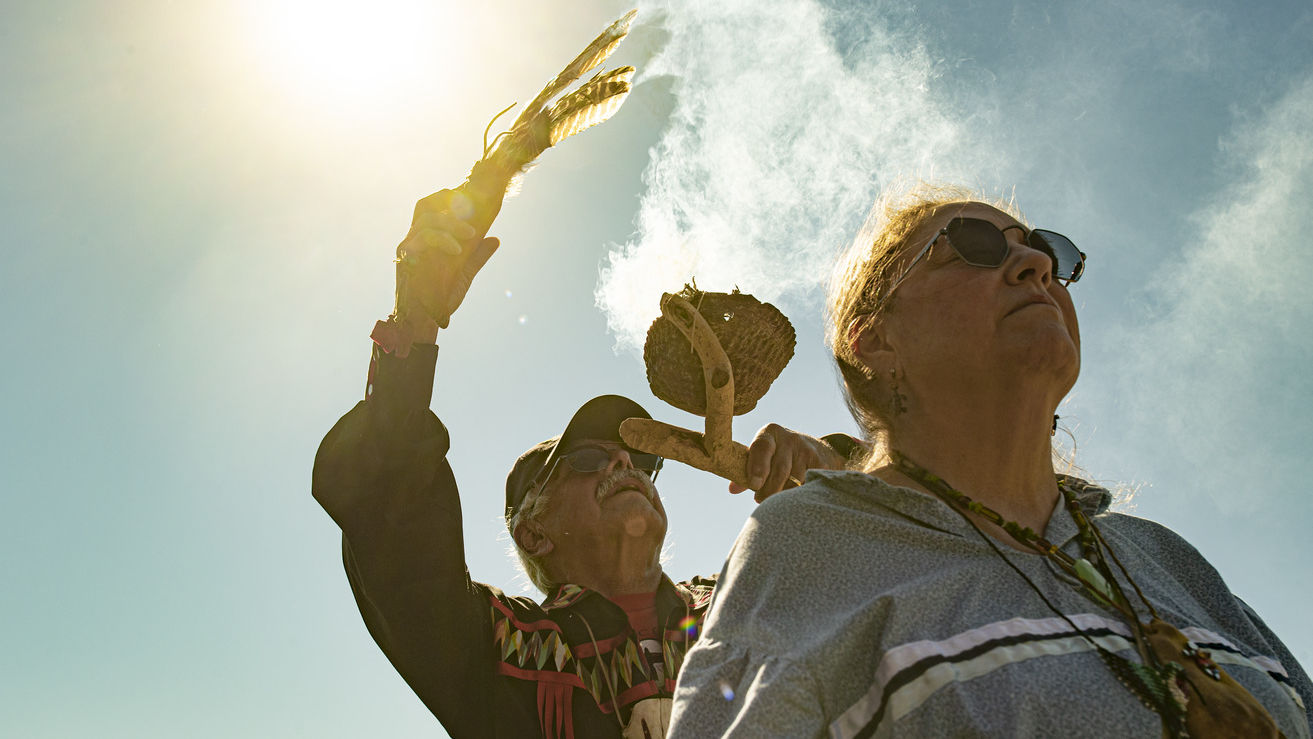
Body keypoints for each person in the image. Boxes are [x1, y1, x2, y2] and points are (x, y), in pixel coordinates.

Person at [667, 185, 1313, 737]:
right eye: (976, 243)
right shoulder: (809, 545)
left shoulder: (1162, 557)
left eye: (1045, 251)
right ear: (875, 339)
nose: (1034, 262)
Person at [311, 189, 853, 738]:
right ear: (532, 532)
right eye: (589, 459)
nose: (624, 461)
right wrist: (413, 326)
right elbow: (393, 516)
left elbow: (906, 531)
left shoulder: (743, 597)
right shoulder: (491, 645)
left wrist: (832, 472)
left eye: (643, 462)